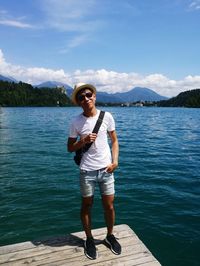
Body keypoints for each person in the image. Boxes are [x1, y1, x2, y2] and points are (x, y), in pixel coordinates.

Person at [67, 83, 121, 260]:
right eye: (81, 97)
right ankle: (89, 239)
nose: (86, 99)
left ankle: (110, 235)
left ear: (94, 96)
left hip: (106, 169)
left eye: (88, 95)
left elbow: (114, 141)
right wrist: (82, 142)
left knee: (109, 206)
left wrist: (115, 162)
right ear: (78, 102)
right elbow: (69, 148)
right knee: (86, 205)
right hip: (86, 172)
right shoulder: (76, 121)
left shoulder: (107, 116)